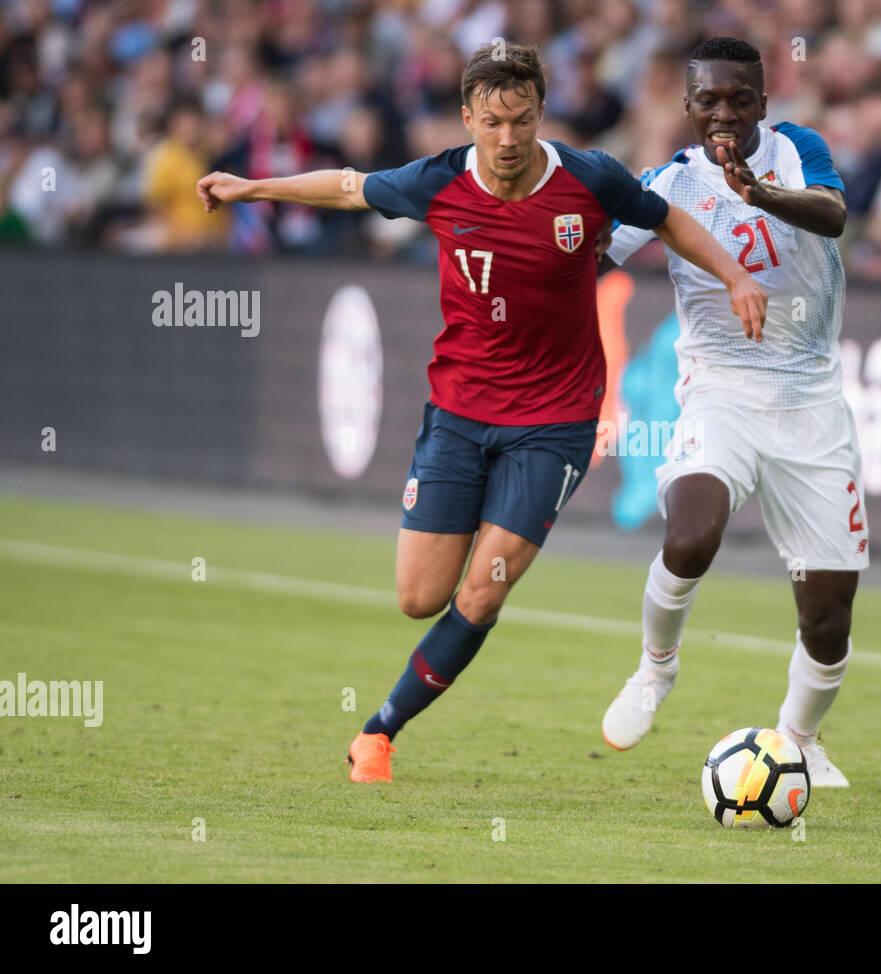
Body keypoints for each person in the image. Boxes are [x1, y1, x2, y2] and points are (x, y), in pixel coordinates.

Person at [196, 42, 767, 783]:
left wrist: (733, 276)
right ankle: (394, 706)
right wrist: (251, 187)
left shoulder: (589, 179)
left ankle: (378, 734)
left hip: (556, 422)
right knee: (418, 597)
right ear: (467, 118)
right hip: (459, 413)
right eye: (492, 123)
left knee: (483, 588)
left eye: (522, 121)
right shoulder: (437, 182)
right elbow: (346, 186)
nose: (507, 140)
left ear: (540, 114)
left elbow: (667, 221)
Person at [597, 36, 863, 787]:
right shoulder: (664, 186)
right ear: (686, 106)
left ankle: (800, 737)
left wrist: (761, 193)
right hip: (722, 389)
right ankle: (655, 669)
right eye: (708, 99)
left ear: (763, 103)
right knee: (692, 534)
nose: (724, 113)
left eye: (739, 99)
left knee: (828, 613)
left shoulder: (795, 150)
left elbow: (835, 215)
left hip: (810, 401)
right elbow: (592, 259)